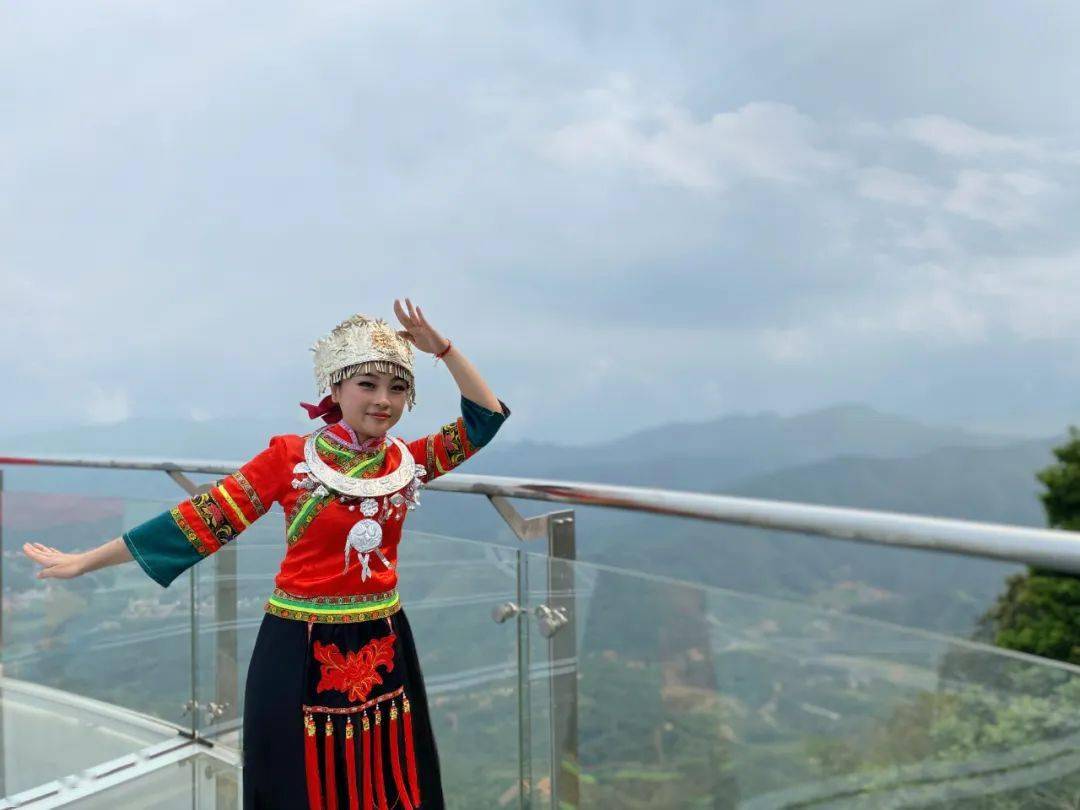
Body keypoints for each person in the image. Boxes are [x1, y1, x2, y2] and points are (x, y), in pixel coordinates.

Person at [21, 298, 511, 810]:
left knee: (383, 777)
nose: (382, 401)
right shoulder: (290, 458)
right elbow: (199, 521)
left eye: (397, 387)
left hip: (383, 638)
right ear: (336, 389)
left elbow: (485, 419)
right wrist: (84, 561)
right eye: (367, 384)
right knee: (298, 780)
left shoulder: (407, 460)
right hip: (299, 643)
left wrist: (444, 350)